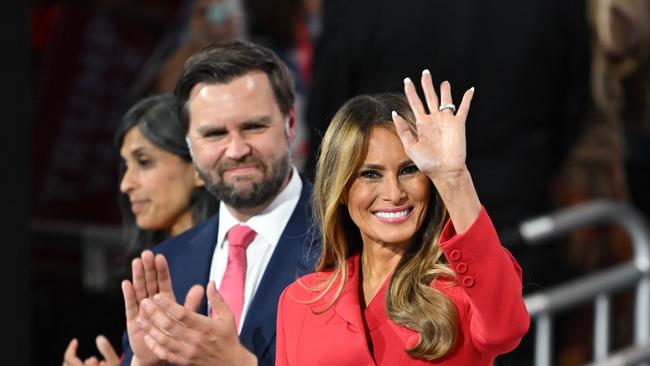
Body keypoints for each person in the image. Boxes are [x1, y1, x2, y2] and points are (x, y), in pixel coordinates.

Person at [276, 73, 529, 365]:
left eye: (410, 170)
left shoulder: (463, 290)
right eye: (370, 174)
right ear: (342, 189)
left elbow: (505, 331)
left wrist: (454, 178)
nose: (394, 193)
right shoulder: (299, 302)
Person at [118, 40, 318, 366]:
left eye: (254, 126)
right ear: (189, 145)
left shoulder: (349, 238)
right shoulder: (166, 262)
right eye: (214, 134)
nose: (236, 150)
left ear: (290, 123)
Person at [62, 94, 218, 366]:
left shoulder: (226, 266)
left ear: (197, 167)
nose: (125, 184)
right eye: (126, 165)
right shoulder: (149, 265)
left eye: (144, 162)